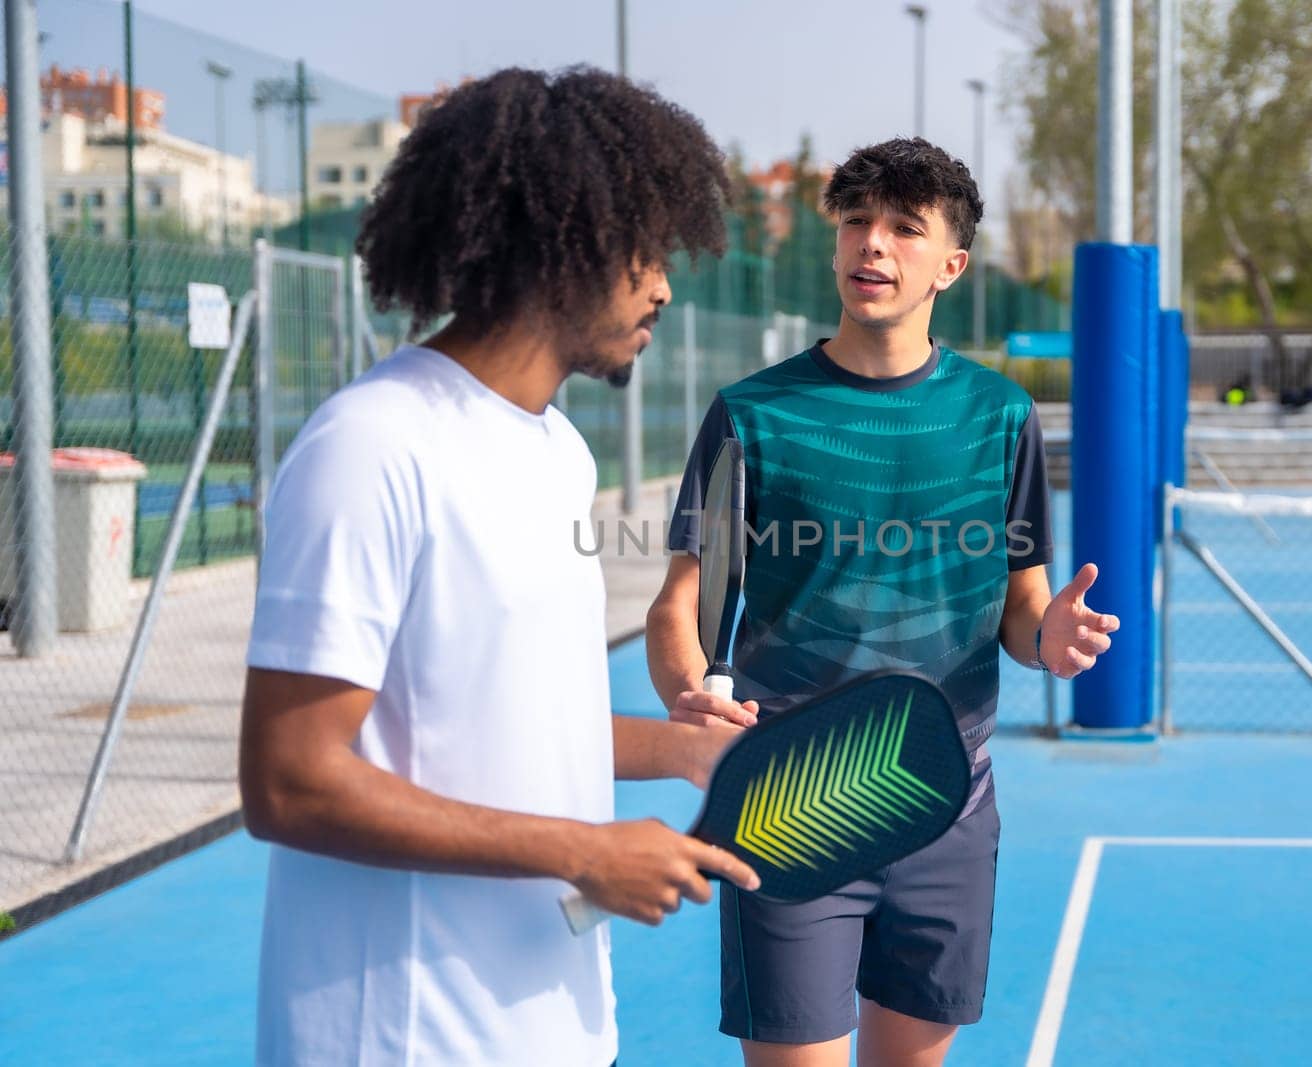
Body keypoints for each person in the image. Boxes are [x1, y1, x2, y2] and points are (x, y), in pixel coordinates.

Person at [239, 67, 759, 1067]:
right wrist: (585, 847)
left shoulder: (558, 448)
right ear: (555, 245)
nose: (661, 285)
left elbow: (491, 713)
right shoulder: (372, 445)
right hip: (401, 1039)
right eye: (642, 251)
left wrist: (684, 751)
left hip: (554, 1024)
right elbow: (288, 778)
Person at [646, 137, 1119, 1067]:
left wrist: (1048, 636)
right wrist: (689, 688)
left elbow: (1020, 604)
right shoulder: (753, 413)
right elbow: (681, 602)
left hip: (949, 800)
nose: (874, 244)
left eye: (906, 228)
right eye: (857, 222)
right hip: (793, 801)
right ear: (833, 246)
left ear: (951, 264)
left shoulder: (1001, 415)